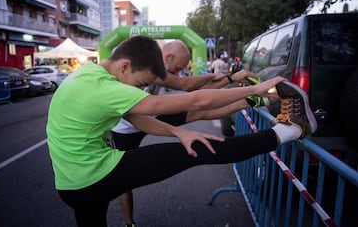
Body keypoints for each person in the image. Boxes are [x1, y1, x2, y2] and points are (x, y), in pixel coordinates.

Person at [46, 35, 317, 227]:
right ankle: (290, 130)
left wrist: (178, 133)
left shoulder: (87, 75)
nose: (139, 90)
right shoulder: (105, 88)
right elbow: (194, 100)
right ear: (125, 65)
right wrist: (255, 88)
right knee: (201, 149)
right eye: (140, 83)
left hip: (71, 185)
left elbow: (137, 119)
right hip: (94, 174)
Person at [111, 40, 263, 227]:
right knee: (124, 182)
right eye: (177, 68)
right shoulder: (148, 65)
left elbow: (197, 91)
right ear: (167, 57)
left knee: (199, 111)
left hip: (145, 117)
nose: (175, 73)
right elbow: (186, 86)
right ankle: (129, 223)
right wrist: (229, 77)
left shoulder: (157, 67)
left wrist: (228, 78)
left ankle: (249, 101)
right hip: (124, 130)